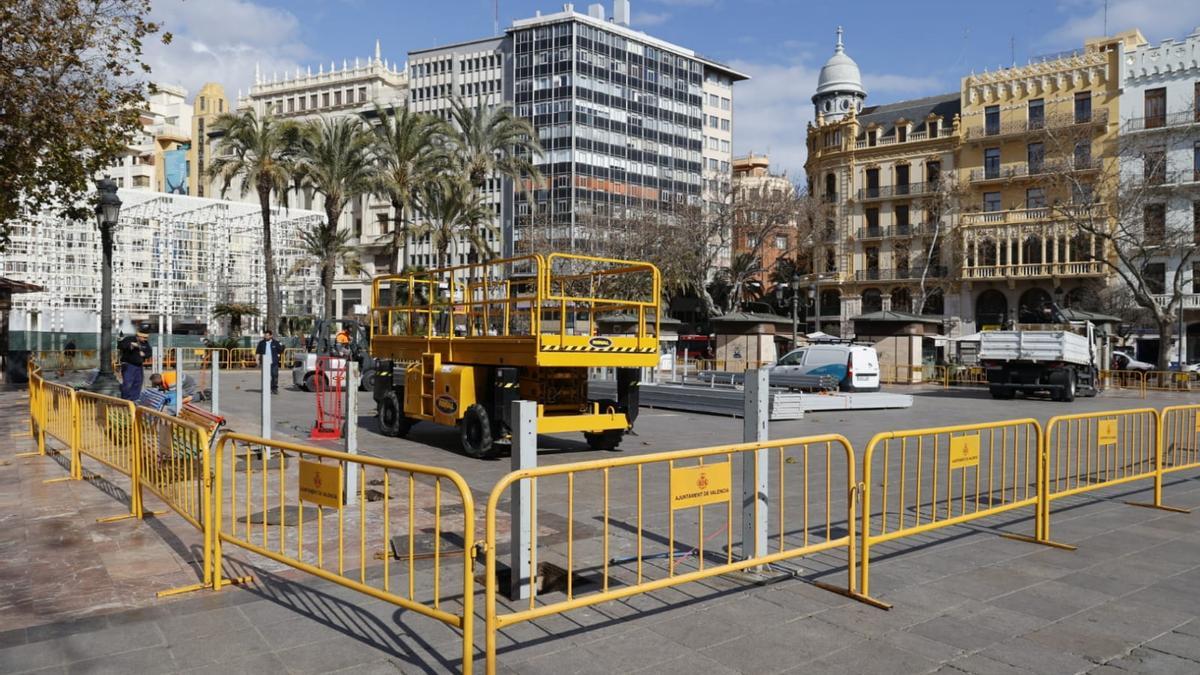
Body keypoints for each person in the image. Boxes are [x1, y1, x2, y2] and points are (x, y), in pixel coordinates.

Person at [117, 331, 151, 400]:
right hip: (128, 364)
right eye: (144, 338)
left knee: (138, 382)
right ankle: (126, 399)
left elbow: (149, 352)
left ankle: (134, 399)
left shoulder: (145, 343)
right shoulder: (129, 339)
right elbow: (120, 346)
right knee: (128, 383)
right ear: (138, 336)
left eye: (146, 338)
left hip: (139, 365)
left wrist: (144, 354)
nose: (145, 339)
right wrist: (131, 345)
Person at [256, 329, 283, 394]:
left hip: (274, 362)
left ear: (271, 336)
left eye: (267, 336)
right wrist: (257, 360)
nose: (266, 337)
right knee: (266, 376)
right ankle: (266, 389)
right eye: (265, 335)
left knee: (274, 375)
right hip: (265, 362)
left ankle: (274, 388)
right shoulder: (261, 343)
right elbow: (258, 352)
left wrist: (282, 346)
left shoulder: (275, 343)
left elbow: (280, 351)